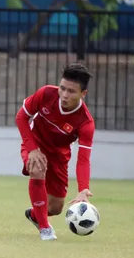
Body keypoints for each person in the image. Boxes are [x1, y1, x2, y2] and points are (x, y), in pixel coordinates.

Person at [15, 63, 95, 241]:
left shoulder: (85, 123)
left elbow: (83, 160)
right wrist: (33, 149)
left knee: (56, 208)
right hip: (35, 144)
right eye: (62, 88)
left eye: (71, 91)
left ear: (83, 94)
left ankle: (36, 215)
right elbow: (21, 117)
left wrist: (83, 189)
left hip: (59, 156)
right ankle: (45, 229)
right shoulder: (45, 94)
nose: (65, 95)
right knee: (37, 167)